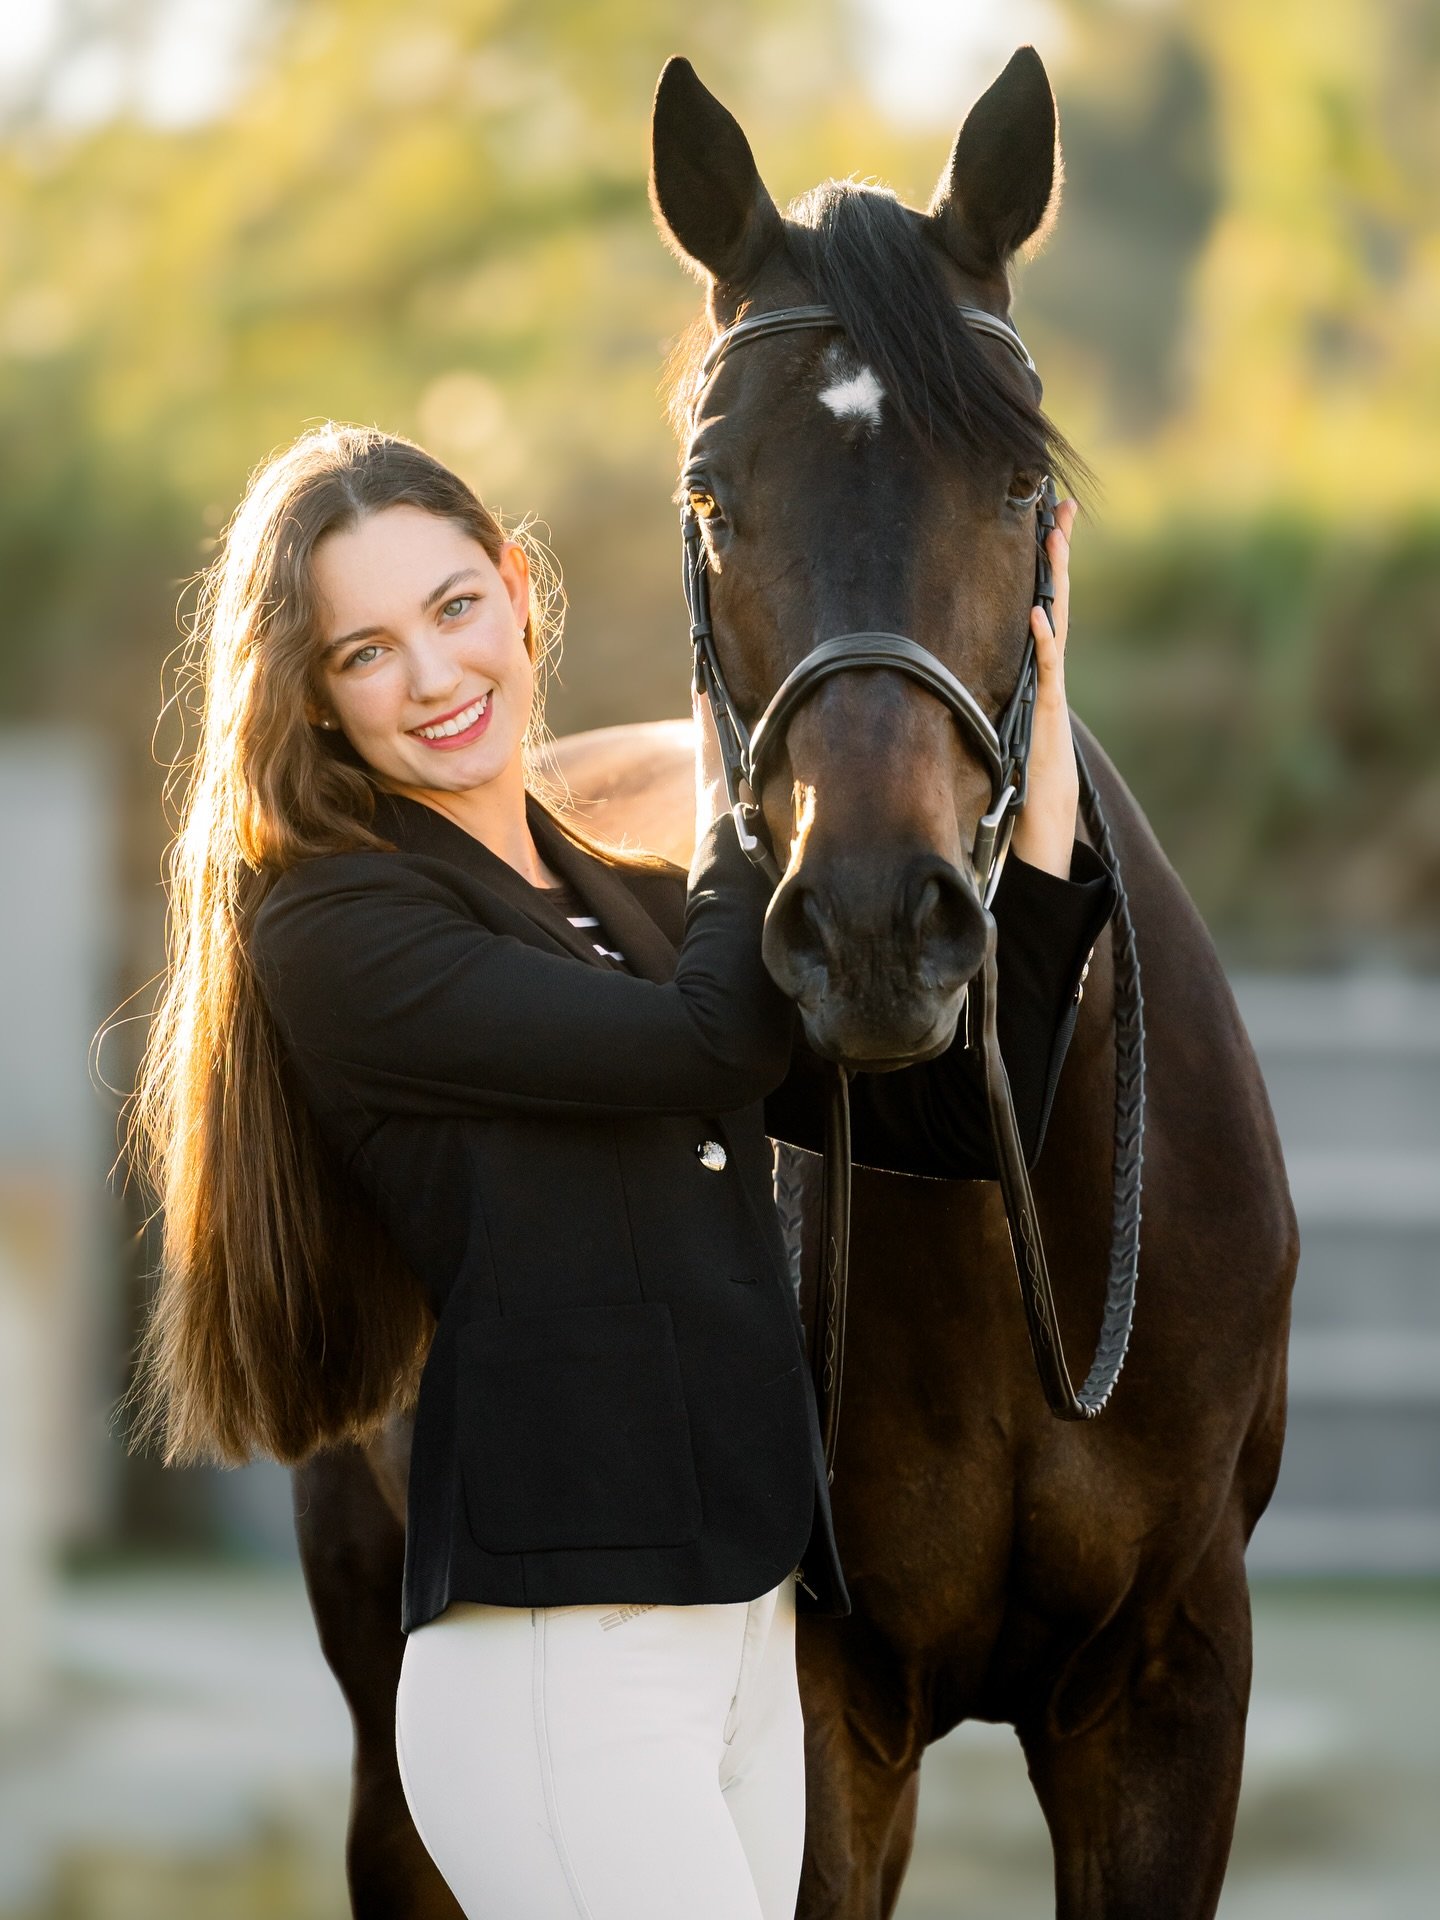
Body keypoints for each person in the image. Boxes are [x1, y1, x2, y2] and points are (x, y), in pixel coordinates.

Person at [126, 421, 1115, 1920]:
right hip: (558, 1669)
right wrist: (739, 793)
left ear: (519, 592)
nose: (441, 677)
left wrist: (1037, 838)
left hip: (742, 1638)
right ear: (315, 699)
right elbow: (712, 1041)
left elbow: (948, 1128)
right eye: (369, 652)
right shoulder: (336, 930)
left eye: (457, 608)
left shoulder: (622, 903)